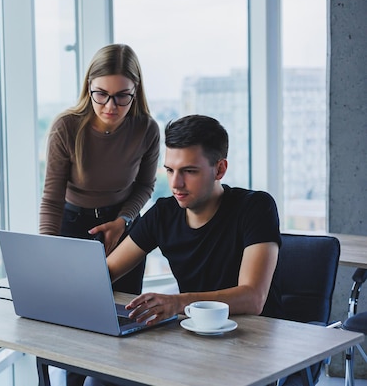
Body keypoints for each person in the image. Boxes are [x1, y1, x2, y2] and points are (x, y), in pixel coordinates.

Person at [82, 114, 281, 386]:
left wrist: (176, 303)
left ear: (220, 169)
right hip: (190, 344)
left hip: (251, 347)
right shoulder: (164, 213)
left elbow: (253, 298)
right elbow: (105, 272)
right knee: (99, 380)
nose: (176, 183)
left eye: (189, 171)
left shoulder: (256, 208)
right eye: (170, 170)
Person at [39, 43, 159, 386]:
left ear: (136, 92)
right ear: (88, 88)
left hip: (123, 229)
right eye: (101, 94)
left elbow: (145, 187)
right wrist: (48, 252)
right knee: (76, 328)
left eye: (123, 96)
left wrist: (123, 221)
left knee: (125, 321)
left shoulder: (147, 129)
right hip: (73, 225)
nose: (111, 106)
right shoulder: (67, 127)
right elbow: (51, 199)